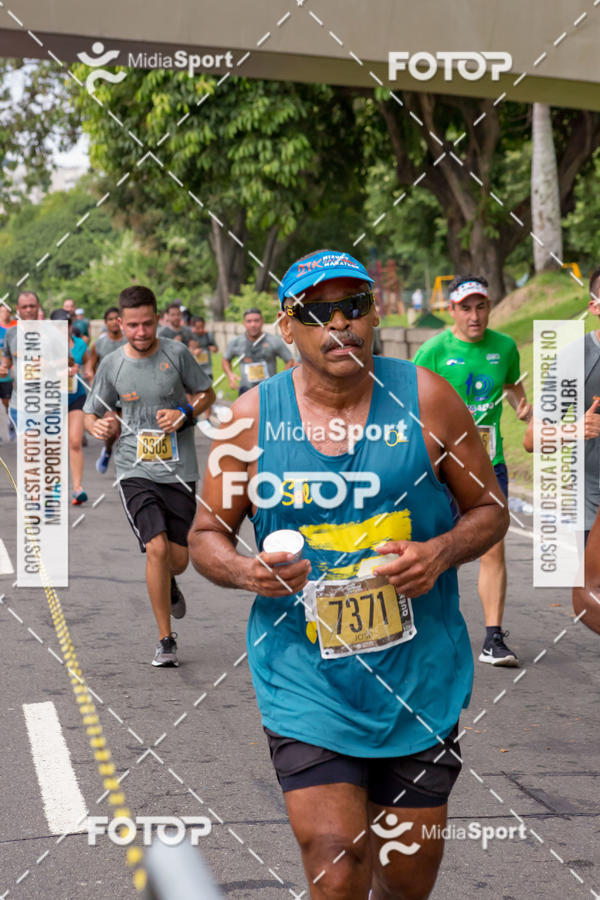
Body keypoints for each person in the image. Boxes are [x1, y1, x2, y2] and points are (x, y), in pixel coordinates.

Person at [188, 248, 508, 899]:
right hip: (304, 677)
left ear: (375, 313)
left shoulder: (428, 399)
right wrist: (247, 572)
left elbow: (490, 510)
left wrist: (440, 552)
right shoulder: (249, 420)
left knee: (407, 878)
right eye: (317, 312)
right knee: (335, 866)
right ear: (287, 326)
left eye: (353, 305)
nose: (340, 324)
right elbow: (204, 536)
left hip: (418, 677)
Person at [84, 285, 215, 667]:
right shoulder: (112, 364)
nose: (140, 332)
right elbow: (92, 411)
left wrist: (184, 412)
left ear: (157, 319)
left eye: (147, 324)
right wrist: (97, 427)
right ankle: (165, 639)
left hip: (178, 468)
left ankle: (169, 581)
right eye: (133, 325)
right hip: (133, 468)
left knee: (179, 559)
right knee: (155, 548)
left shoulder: (177, 353)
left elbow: (206, 393)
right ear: (120, 323)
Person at [414, 275, 532, 668]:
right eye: (466, 308)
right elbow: (409, 403)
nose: (475, 315)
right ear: (452, 310)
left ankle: (493, 639)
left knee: (492, 543)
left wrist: (521, 408)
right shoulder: (433, 350)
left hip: (488, 463)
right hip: (441, 467)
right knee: (436, 546)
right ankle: (426, 632)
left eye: (481, 306)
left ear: (489, 307)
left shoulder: (505, 347)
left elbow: (512, 388)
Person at [523, 266, 600, 547]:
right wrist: (575, 429)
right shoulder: (575, 358)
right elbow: (532, 438)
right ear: (595, 307)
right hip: (594, 508)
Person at [49, 309, 93, 504]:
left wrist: (87, 371)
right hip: (52, 399)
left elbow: (87, 360)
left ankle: (77, 488)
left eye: (67, 324)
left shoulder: (79, 344)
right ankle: (54, 488)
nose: (63, 329)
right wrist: (59, 368)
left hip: (76, 396)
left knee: (75, 442)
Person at [90, 306, 128, 474]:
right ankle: (107, 450)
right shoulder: (99, 344)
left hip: (128, 391)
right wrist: (93, 380)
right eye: (110, 319)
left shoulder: (129, 341)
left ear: (121, 321)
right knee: (112, 428)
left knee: (127, 428)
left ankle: (126, 461)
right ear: (106, 323)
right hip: (107, 393)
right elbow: (91, 366)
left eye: (116, 319)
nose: (113, 322)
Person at [222, 307, 294, 395]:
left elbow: (290, 360)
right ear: (244, 323)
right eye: (249, 321)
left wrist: (281, 379)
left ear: (262, 321)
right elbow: (225, 359)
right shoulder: (236, 342)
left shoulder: (274, 341)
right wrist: (230, 374)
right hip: (246, 390)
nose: (253, 324)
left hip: (269, 389)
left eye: (256, 321)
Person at [0, 291, 41, 433]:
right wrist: (3, 367)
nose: (28, 310)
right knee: (30, 443)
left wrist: (49, 364)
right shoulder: (11, 333)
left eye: (32, 306)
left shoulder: (52, 331)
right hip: (22, 402)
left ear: (38, 307)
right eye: (24, 307)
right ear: (18, 309)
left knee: (47, 445)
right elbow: (7, 358)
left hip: (49, 400)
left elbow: (69, 360)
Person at [0, 304, 16, 441]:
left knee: (7, 403)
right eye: (2, 311)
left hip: (6, 375)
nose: (4, 314)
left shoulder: (12, 330)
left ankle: (11, 423)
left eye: (7, 311)